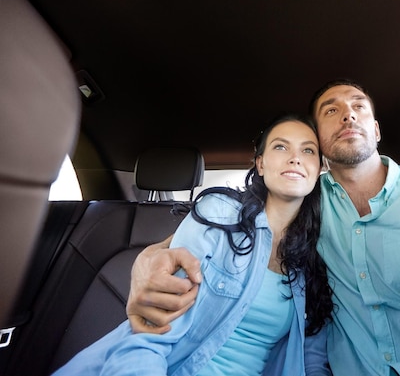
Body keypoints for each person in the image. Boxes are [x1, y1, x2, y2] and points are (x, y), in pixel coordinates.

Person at [127, 80, 400, 376]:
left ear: (376, 129)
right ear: (319, 140)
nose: (348, 116)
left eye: (358, 106)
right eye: (331, 111)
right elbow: (201, 237)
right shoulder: (302, 200)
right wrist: (147, 258)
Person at [52, 114, 334, 376]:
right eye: (281, 147)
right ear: (260, 164)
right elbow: (150, 335)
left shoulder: (317, 255)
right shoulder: (220, 215)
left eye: (308, 150)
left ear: (320, 167)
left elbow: (310, 357)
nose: (296, 158)